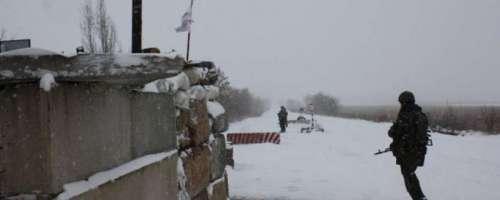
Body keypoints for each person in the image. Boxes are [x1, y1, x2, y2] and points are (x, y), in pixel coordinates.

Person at [388, 91, 429, 200]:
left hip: (407, 152)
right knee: (410, 174)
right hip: (418, 152)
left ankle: (419, 197)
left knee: (408, 175)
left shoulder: (406, 115)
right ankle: (419, 197)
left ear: (404, 102)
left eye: (401, 102)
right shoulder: (420, 114)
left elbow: (394, 133)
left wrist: (394, 132)